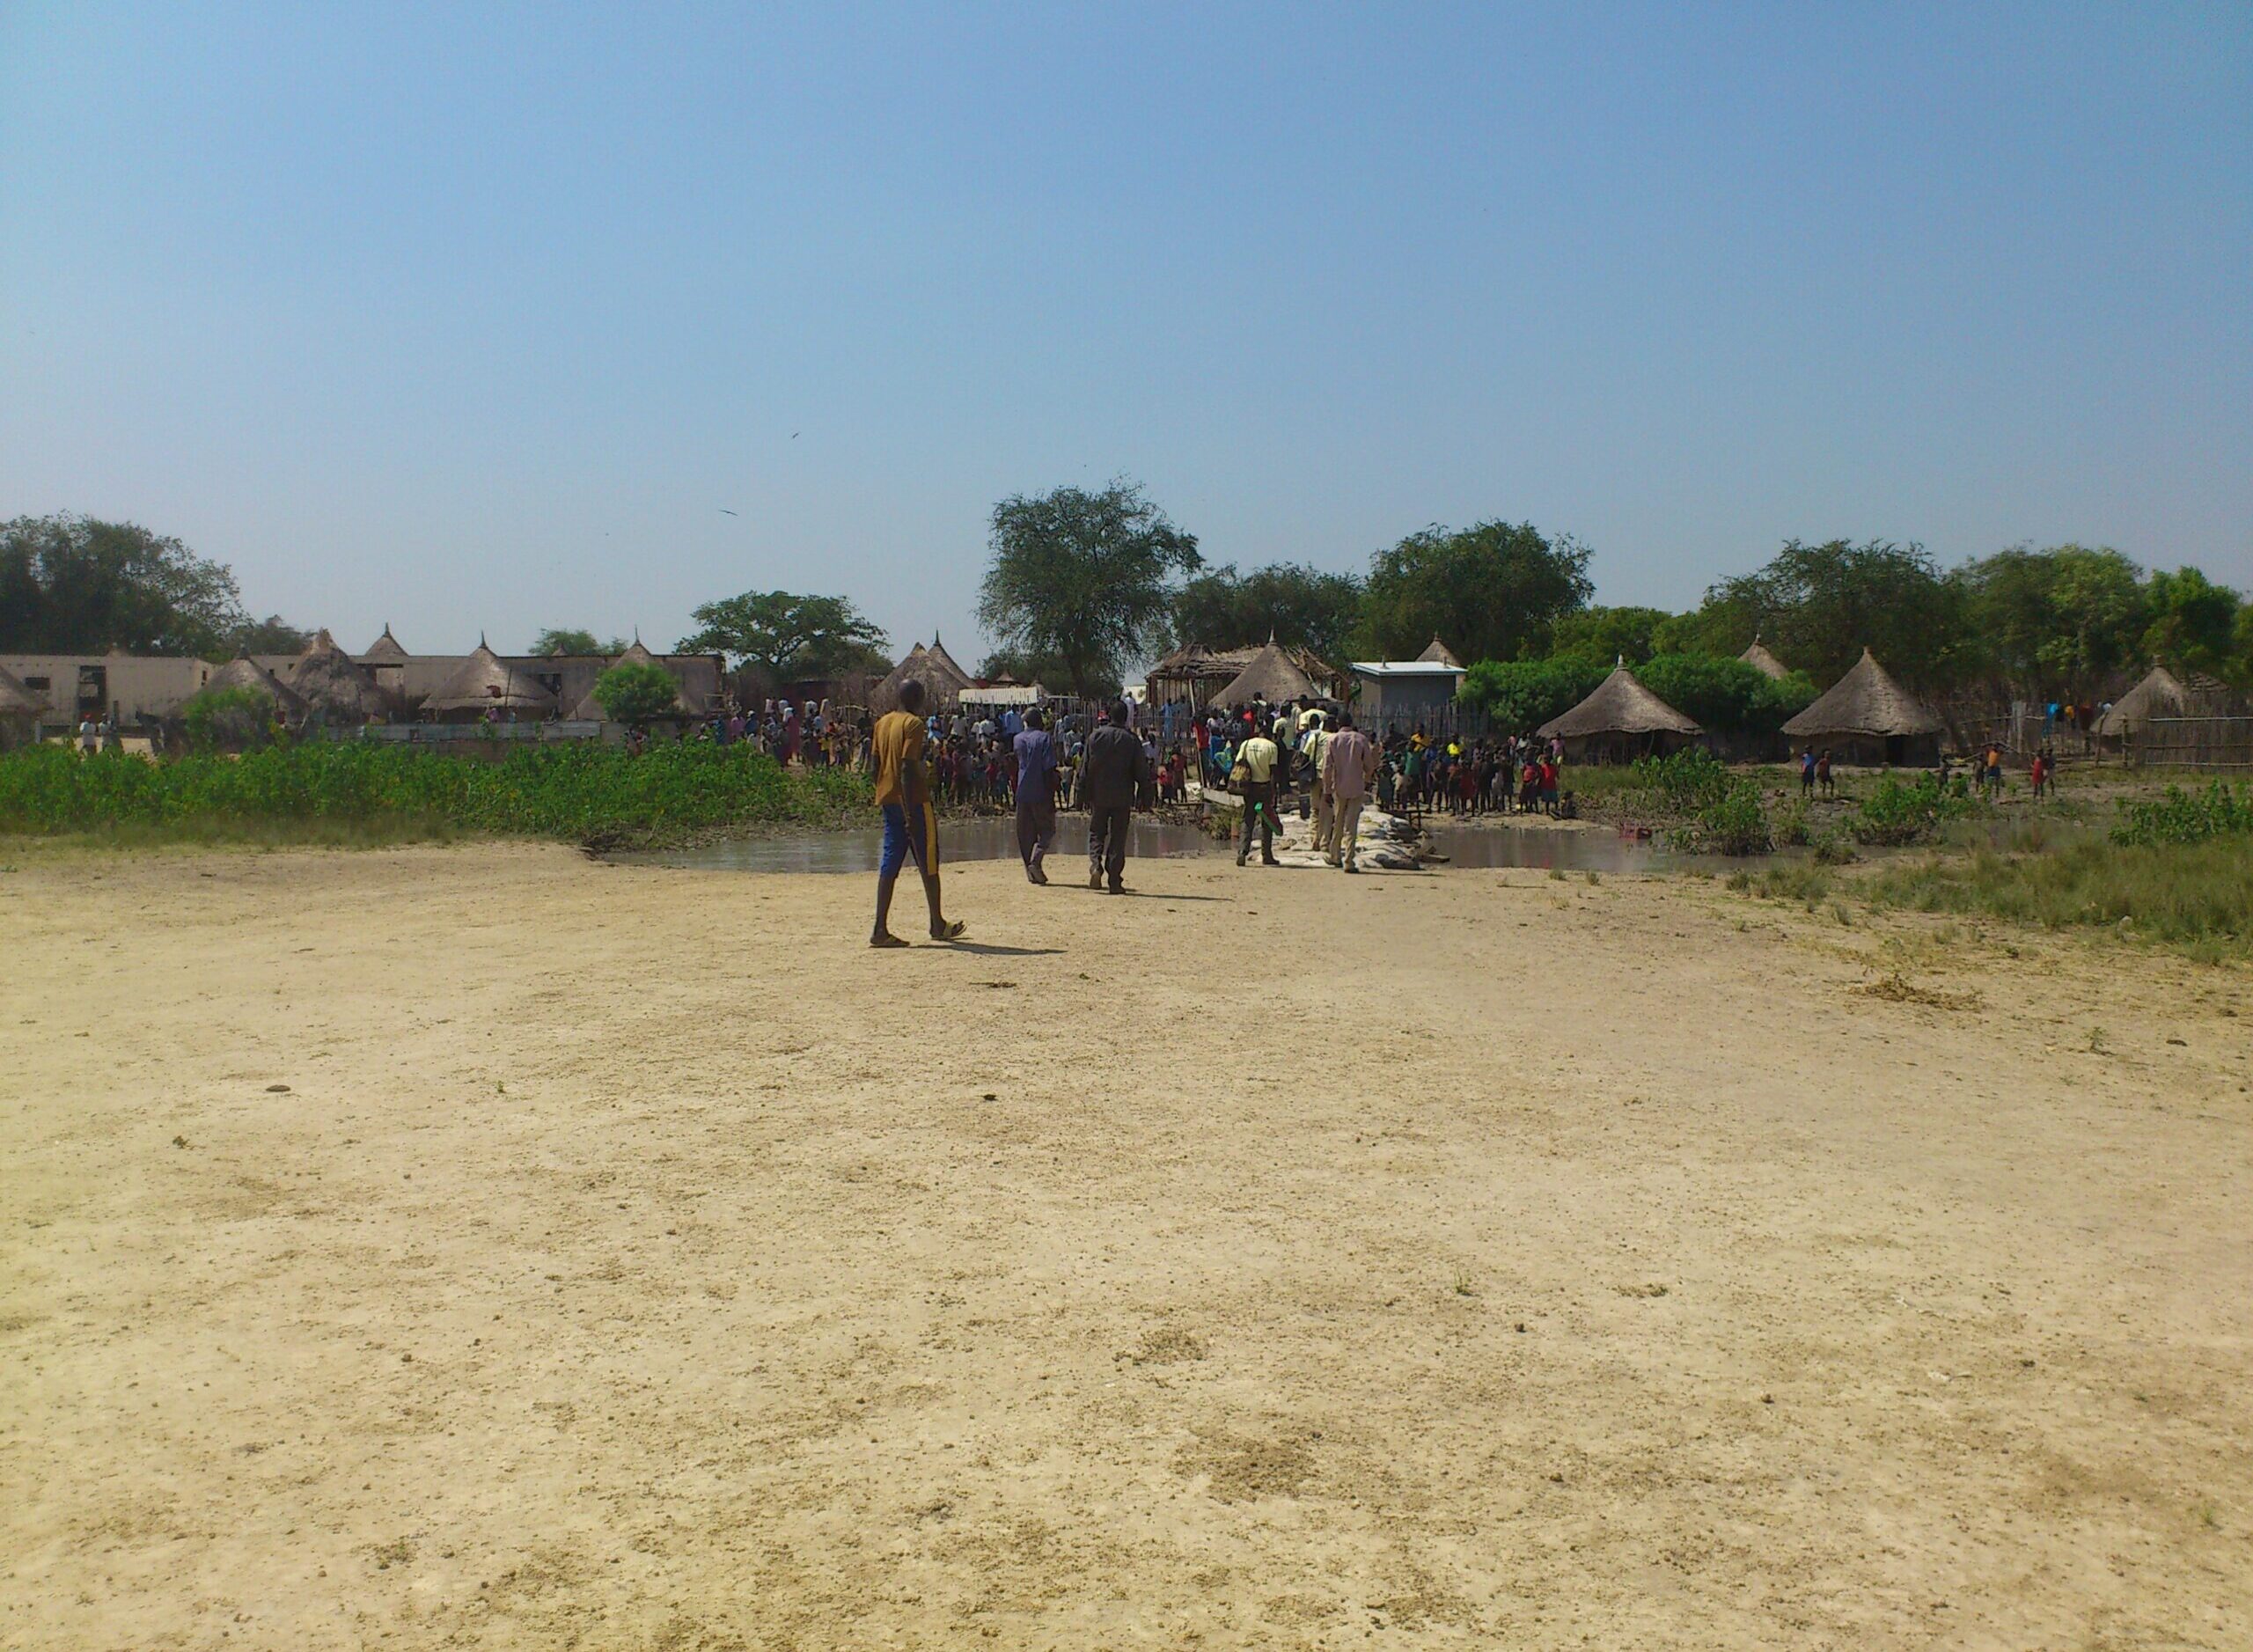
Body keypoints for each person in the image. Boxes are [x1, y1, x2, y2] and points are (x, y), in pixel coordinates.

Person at [868, 679, 965, 947]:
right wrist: (910, 811)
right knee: (928, 859)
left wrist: (884, 791)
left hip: (888, 799)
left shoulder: (882, 723)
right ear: (917, 698)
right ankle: (937, 923)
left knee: (890, 862)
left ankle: (880, 928)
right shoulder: (914, 724)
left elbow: (874, 765)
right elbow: (908, 767)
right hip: (914, 802)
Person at [1080, 701, 1151, 894]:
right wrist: (1145, 795)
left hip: (1099, 794)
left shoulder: (1095, 736)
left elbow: (1085, 769)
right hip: (1122, 795)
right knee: (1118, 837)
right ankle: (1114, 880)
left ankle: (1095, 865)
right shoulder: (1132, 740)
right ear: (1126, 717)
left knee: (1096, 832)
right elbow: (1141, 771)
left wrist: (1082, 794)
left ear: (1109, 716)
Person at [1323, 711, 1376, 871]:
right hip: (1357, 787)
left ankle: (1335, 856)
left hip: (1338, 787)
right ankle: (1349, 861)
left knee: (1337, 822)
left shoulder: (1332, 740)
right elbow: (1370, 765)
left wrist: (1327, 789)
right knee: (1351, 825)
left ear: (1338, 724)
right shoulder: (1361, 739)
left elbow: (1327, 767)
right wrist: (1367, 781)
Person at [1012, 709, 1060, 883]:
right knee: (1048, 829)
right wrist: (1052, 792)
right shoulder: (1044, 738)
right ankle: (1036, 860)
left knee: (1025, 834)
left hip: (1022, 790)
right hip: (1040, 790)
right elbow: (1048, 768)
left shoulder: (1017, 739)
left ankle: (1030, 872)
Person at [1234, 719, 1282, 866]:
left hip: (1248, 787)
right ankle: (1266, 855)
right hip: (1264, 788)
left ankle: (1242, 852)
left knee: (1248, 819)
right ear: (1269, 735)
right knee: (1266, 821)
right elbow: (1273, 771)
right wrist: (1275, 792)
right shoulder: (1272, 747)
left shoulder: (1246, 744)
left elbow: (1238, 763)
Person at [1299, 710, 1334, 861]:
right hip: (1330, 778)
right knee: (1328, 811)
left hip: (1314, 777)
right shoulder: (1335, 738)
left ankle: (1314, 839)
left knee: (1315, 809)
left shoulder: (1315, 736)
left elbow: (1305, 755)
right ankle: (1325, 842)